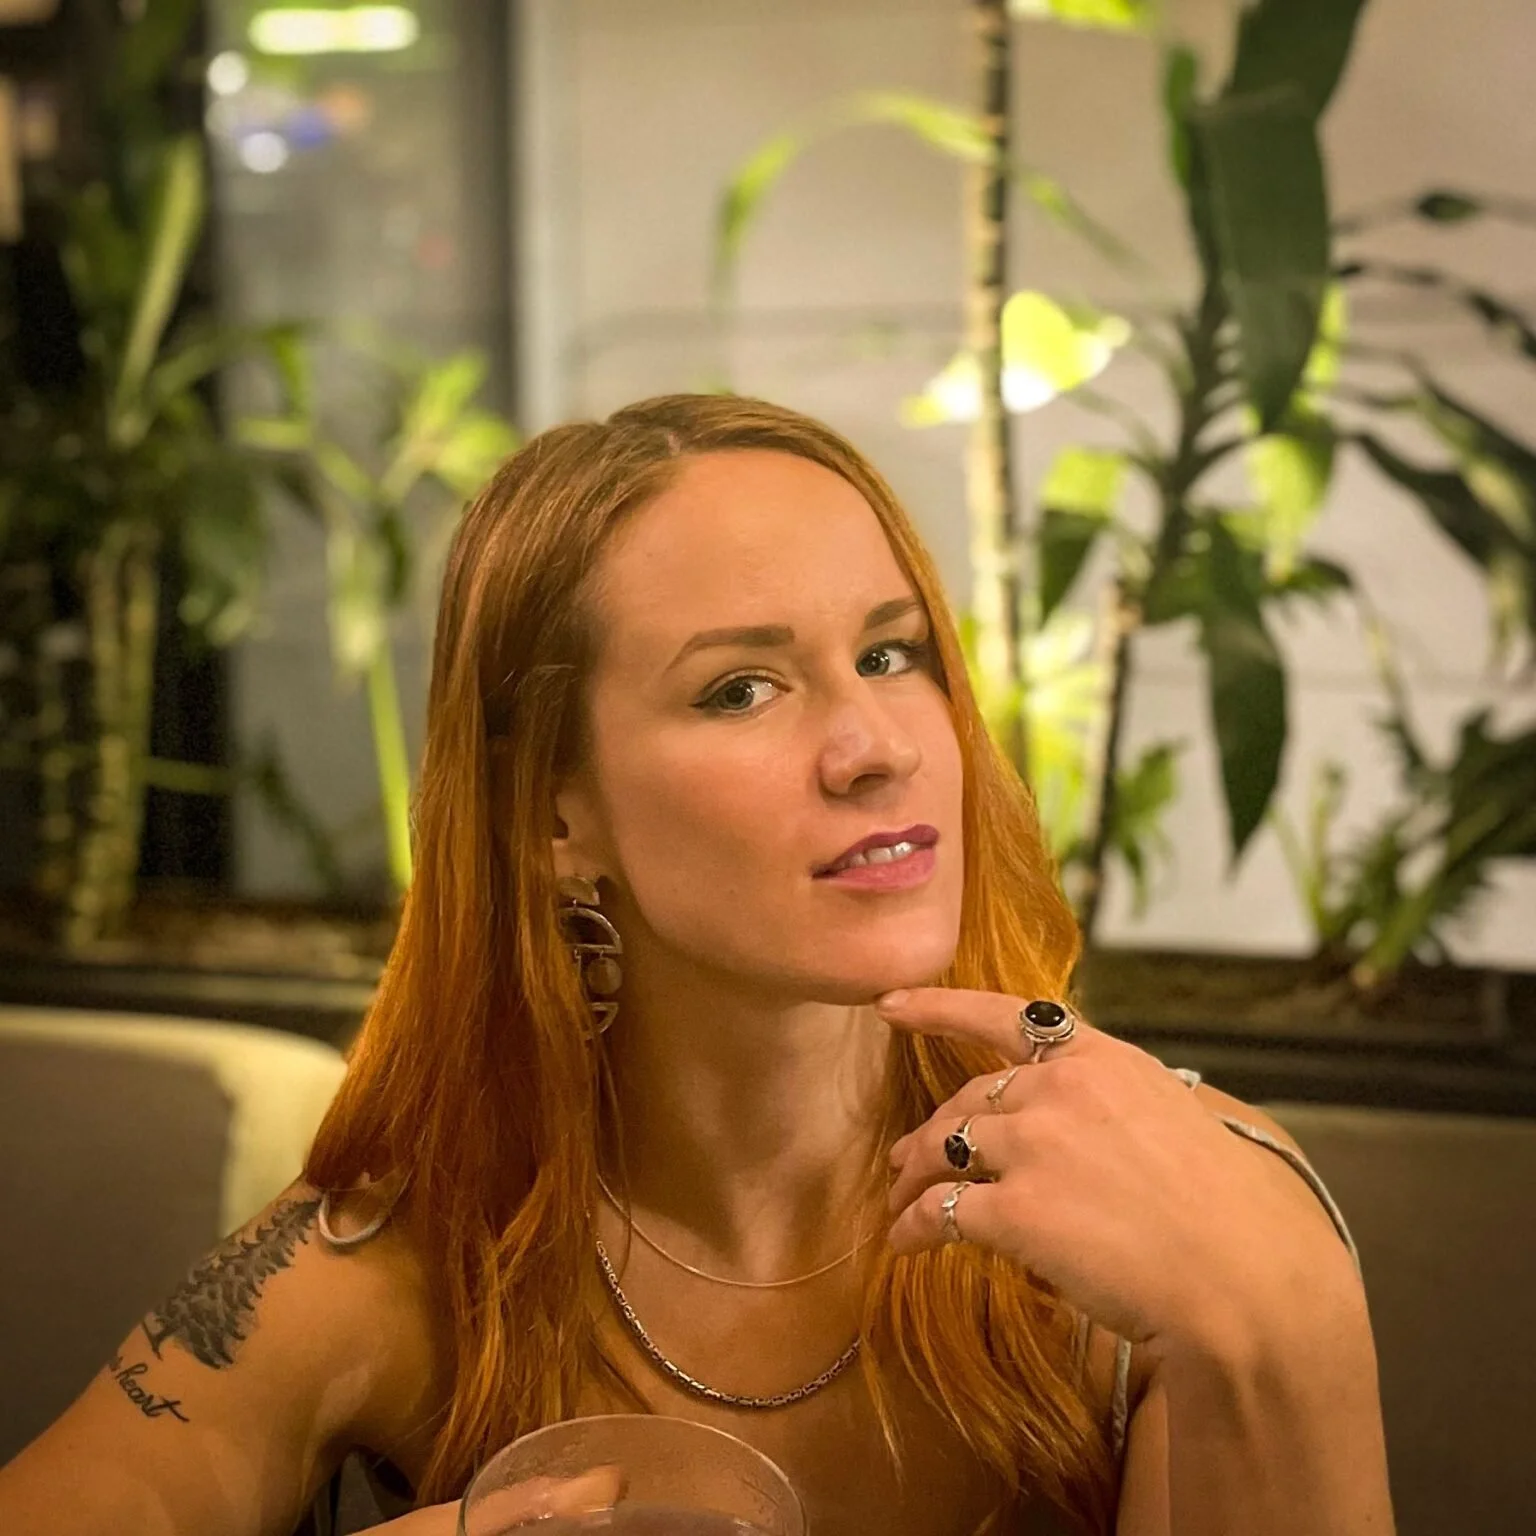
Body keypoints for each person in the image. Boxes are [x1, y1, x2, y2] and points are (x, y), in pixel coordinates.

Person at [0, 395, 1394, 1536]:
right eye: (743, 687)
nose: (876, 747)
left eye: (893, 653)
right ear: (553, 815)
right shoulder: (403, 1259)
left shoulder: (1178, 1214)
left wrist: (1281, 1321)